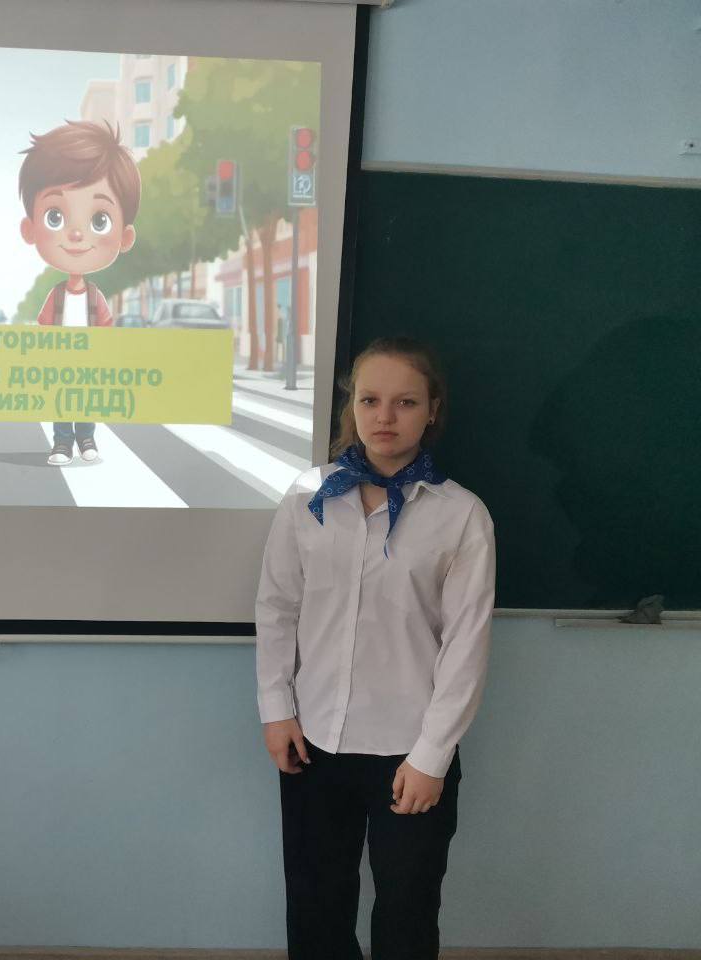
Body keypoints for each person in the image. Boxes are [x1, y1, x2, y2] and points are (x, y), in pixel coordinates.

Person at [256, 337, 495, 960]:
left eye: (405, 402)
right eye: (369, 400)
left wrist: (432, 757)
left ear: (432, 410)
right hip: (313, 743)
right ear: (352, 408)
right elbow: (277, 608)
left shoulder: (461, 515)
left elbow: (466, 646)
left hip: (408, 751)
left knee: (408, 910)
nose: (385, 416)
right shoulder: (307, 497)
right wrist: (276, 711)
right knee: (315, 905)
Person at [18, 120, 139, 465]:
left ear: (125, 237)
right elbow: (44, 325)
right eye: (55, 217)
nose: (75, 234)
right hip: (61, 362)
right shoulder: (55, 295)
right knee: (62, 402)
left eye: (99, 220)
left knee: (86, 401)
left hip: (88, 363)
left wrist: (103, 355)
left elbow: (106, 326)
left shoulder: (95, 296)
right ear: (30, 229)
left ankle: (86, 439)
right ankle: (62, 443)